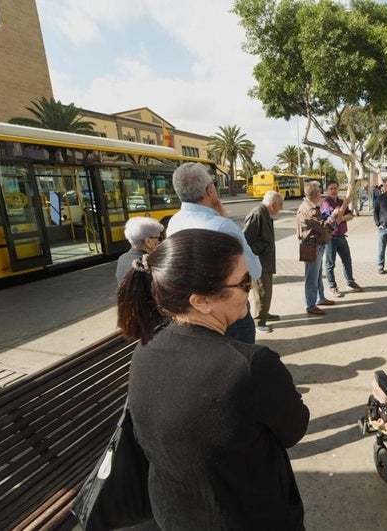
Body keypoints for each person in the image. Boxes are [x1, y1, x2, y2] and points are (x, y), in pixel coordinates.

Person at [117, 229, 309, 530]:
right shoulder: (251, 365)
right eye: (244, 282)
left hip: (173, 514)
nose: (251, 287)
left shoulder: (145, 349)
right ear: (202, 301)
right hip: (246, 517)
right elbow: (294, 429)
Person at [167, 162, 262, 344]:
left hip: (193, 312)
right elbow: (254, 270)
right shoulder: (221, 226)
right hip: (227, 312)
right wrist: (224, 219)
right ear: (210, 190)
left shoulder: (174, 222)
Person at [243, 190, 284, 333]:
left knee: (266, 290)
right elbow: (246, 240)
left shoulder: (264, 213)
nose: (282, 207)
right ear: (272, 205)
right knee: (262, 291)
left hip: (265, 260)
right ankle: (260, 321)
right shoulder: (258, 214)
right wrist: (262, 247)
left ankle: (264, 313)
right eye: (280, 204)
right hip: (259, 261)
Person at [296, 180, 337, 315]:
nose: (321, 193)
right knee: (312, 277)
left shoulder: (309, 206)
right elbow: (322, 226)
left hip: (315, 245)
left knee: (317, 275)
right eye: (320, 191)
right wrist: (334, 216)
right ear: (316, 194)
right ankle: (310, 305)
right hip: (311, 245)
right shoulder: (309, 209)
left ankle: (320, 298)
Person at [320, 182, 363, 298]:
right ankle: (332, 286)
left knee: (347, 261)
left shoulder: (339, 201)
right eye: (331, 188)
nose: (334, 190)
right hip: (330, 238)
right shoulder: (326, 203)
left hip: (342, 236)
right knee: (330, 264)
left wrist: (342, 215)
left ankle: (350, 282)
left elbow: (350, 216)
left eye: (335, 188)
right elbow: (335, 219)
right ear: (327, 190)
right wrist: (345, 205)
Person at [115, 217, 164, 286]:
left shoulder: (122, 259)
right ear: (148, 241)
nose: (159, 241)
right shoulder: (149, 263)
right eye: (159, 237)